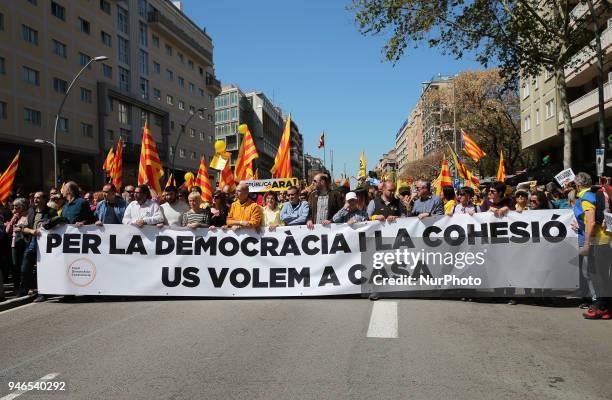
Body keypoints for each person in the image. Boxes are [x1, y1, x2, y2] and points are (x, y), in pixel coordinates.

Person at [573, 172, 612, 319]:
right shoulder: (594, 193)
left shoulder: (585, 197)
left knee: (596, 274)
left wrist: (587, 244)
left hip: (598, 239)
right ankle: (607, 307)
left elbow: (591, 221)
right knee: (602, 274)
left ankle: (601, 306)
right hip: (605, 237)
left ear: (577, 185)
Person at [5, 198, 29, 296]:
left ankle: (25, 287)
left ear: (22, 206)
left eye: (16, 206)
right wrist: (13, 219)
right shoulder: (15, 217)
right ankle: (16, 287)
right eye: (13, 206)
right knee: (15, 266)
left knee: (24, 266)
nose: (14, 208)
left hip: (24, 244)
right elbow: (7, 230)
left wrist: (21, 229)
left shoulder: (27, 216)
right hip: (14, 244)